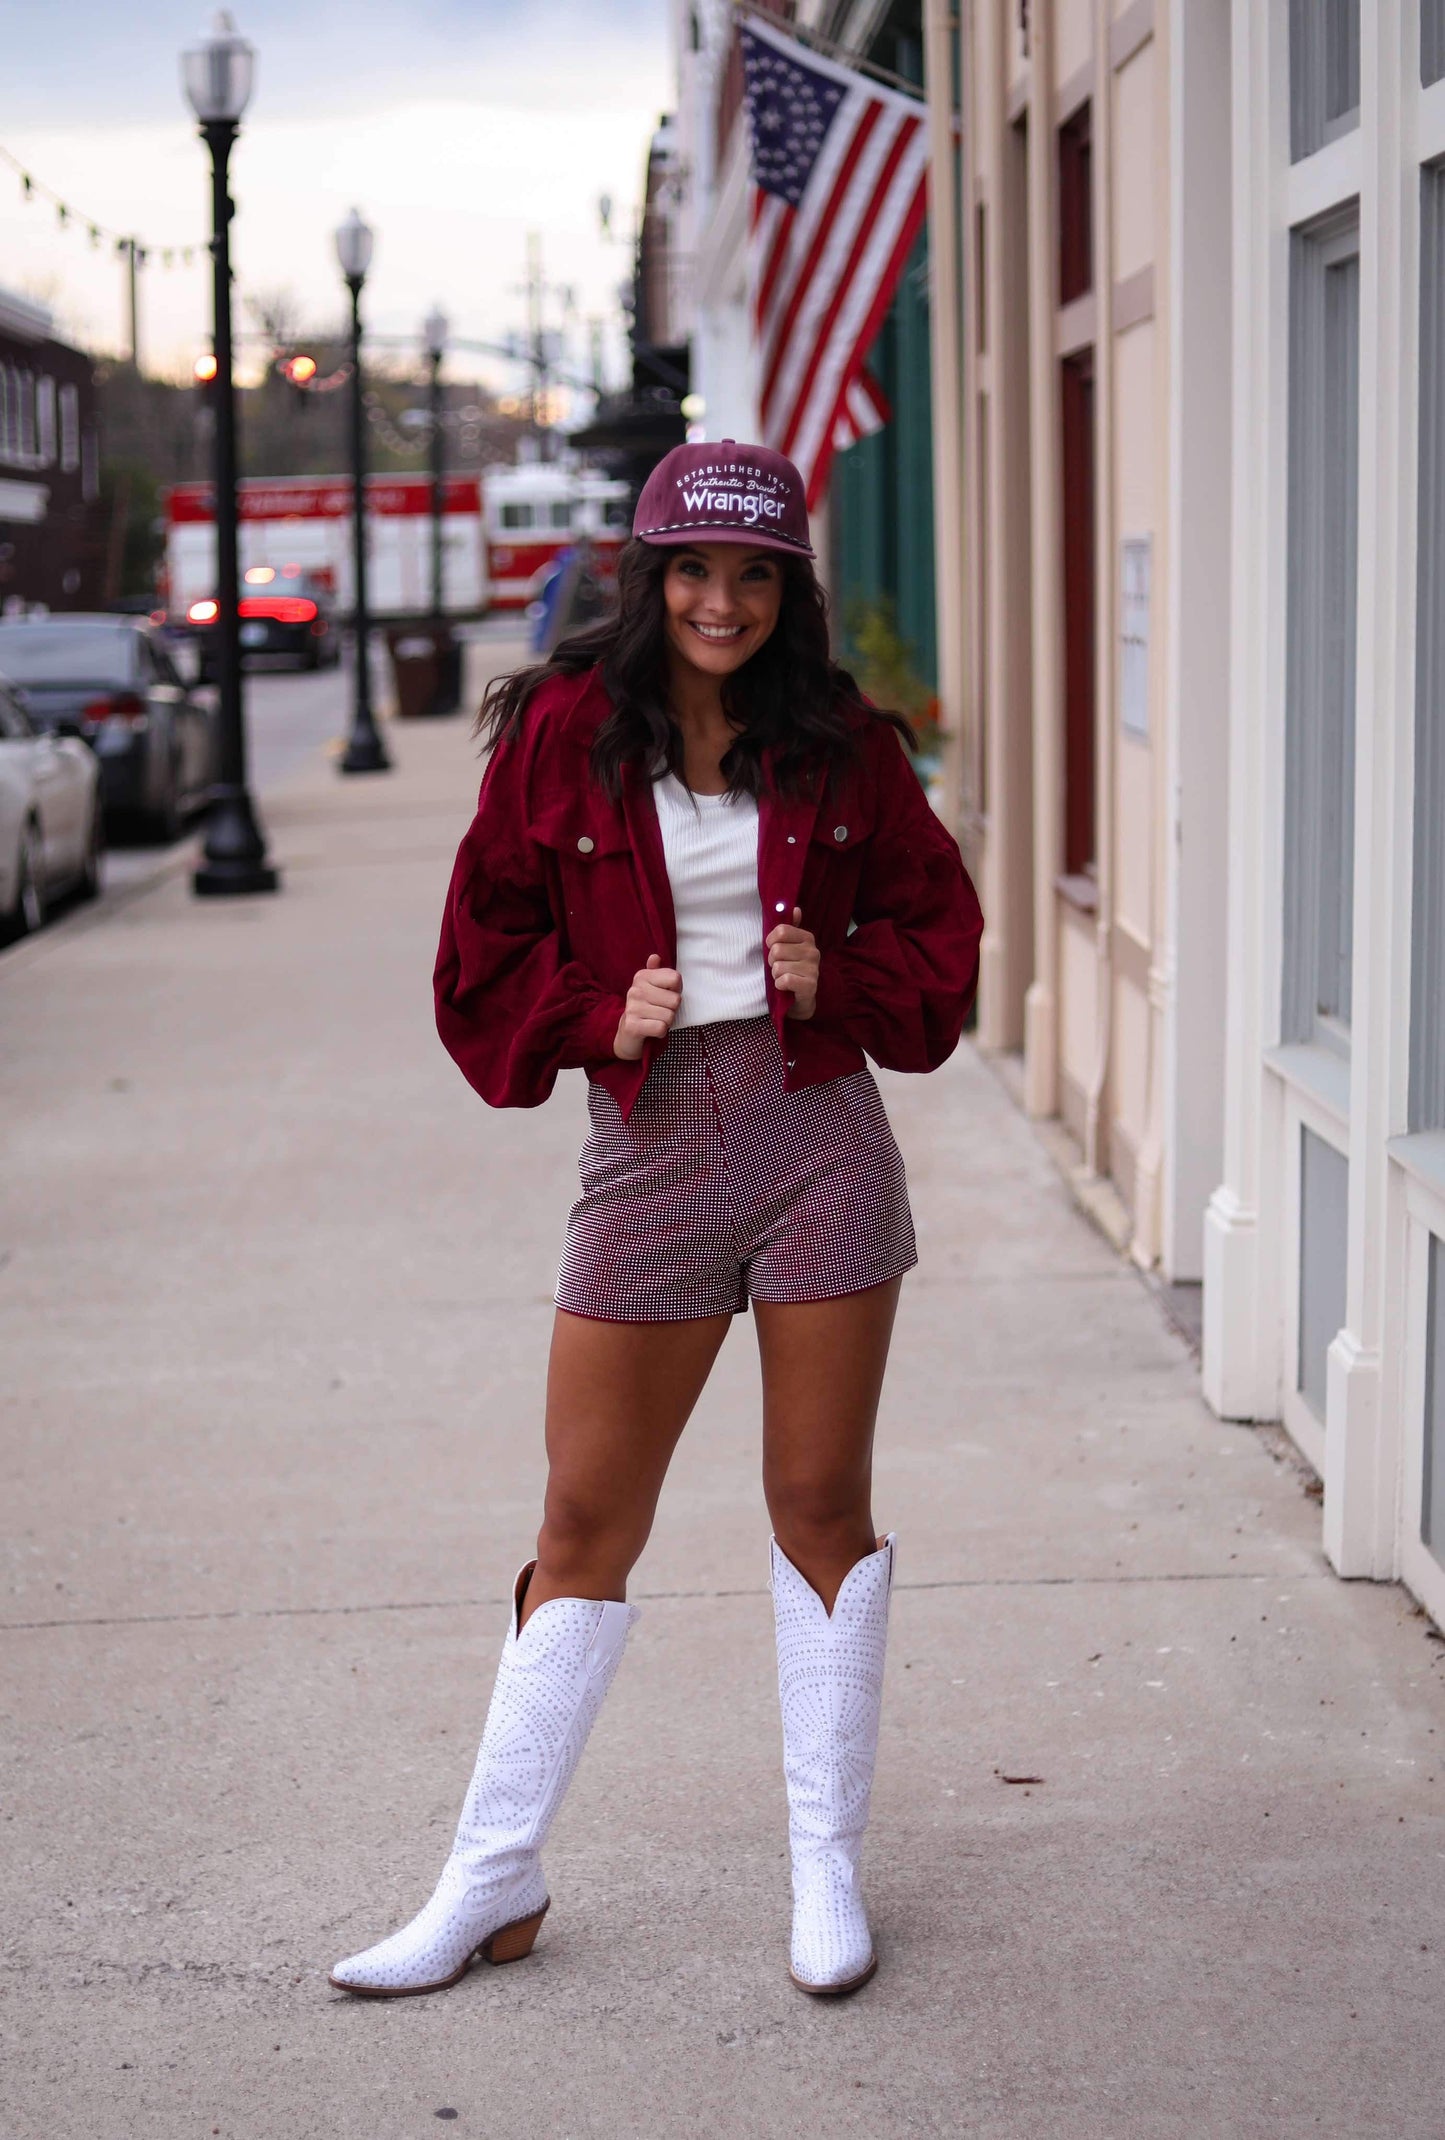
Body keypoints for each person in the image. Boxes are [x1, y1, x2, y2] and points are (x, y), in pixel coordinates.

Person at [329, 438, 983, 2002]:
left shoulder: (840, 745)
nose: (720, 601)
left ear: (786, 594)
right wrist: (591, 1013)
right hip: (652, 1149)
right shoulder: (560, 736)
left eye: (753, 575)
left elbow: (941, 940)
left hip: (820, 1138)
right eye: (692, 569)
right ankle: (491, 1879)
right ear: (648, 575)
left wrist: (850, 979)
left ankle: (822, 1866)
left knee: (819, 1505)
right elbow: (477, 955)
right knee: (580, 1524)